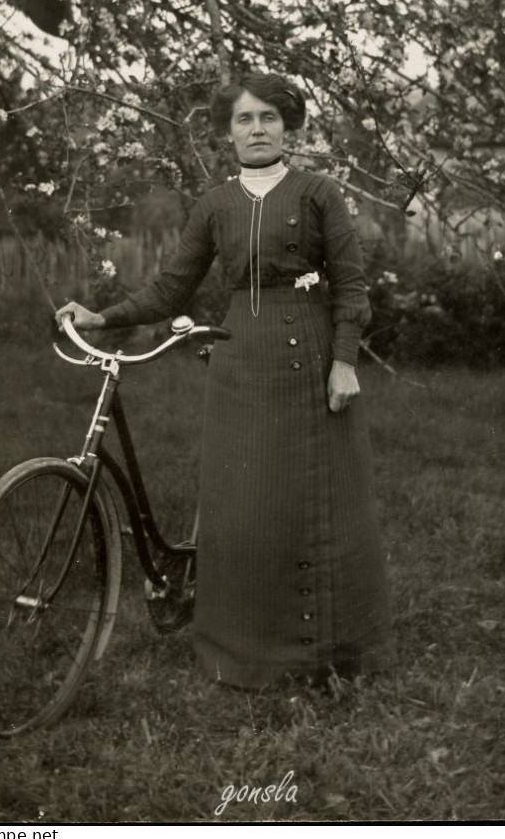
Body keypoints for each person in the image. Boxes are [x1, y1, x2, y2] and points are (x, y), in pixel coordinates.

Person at [56, 71, 393, 687]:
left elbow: (350, 285)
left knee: (314, 499)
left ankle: (328, 652)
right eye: (244, 119)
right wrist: (102, 316)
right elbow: (170, 288)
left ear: (289, 128)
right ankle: (243, 654)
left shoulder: (319, 192)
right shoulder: (215, 204)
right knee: (245, 503)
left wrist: (344, 360)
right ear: (227, 134)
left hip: (312, 354)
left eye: (269, 118)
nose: (257, 129)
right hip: (240, 356)